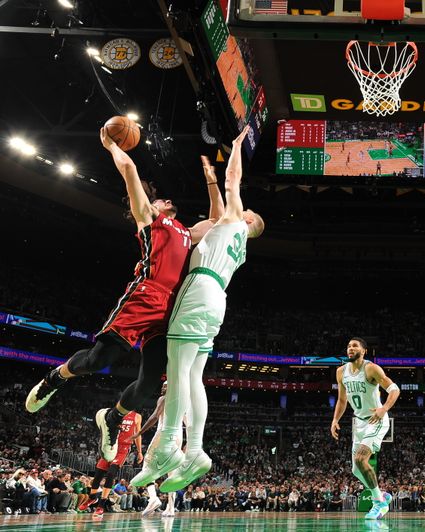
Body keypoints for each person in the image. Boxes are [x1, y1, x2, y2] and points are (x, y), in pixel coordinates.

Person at [26, 133, 221, 464]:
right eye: (160, 199)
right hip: (144, 297)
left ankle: (113, 418)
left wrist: (212, 181)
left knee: (148, 386)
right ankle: (54, 378)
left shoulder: (187, 233)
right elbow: (130, 170)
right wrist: (113, 145)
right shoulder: (151, 220)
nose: (166, 199)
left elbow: (216, 220)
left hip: (168, 313)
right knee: (98, 361)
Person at [132, 126, 265, 492]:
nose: (242, 207)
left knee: (177, 373)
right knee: (192, 377)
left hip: (199, 291)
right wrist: (209, 181)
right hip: (216, 299)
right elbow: (218, 207)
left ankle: (168, 449)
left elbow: (233, 179)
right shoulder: (236, 240)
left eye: (247, 210)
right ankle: (195, 450)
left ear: (250, 221)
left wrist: (237, 147)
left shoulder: (238, 220)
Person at [330, 337, 400, 520]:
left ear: (364, 351)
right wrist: (335, 420)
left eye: (354, 346)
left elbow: (394, 389)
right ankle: (382, 494)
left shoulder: (371, 368)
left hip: (376, 419)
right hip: (359, 422)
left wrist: (383, 408)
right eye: (348, 346)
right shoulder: (340, 372)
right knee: (355, 469)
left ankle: (380, 504)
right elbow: (342, 400)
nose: (350, 348)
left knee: (361, 459)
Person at [79, 410, 143, 517]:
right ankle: (92, 498)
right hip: (111, 445)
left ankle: (101, 505)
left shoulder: (136, 416)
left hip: (123, 447)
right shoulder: (115, 412)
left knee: (111, 474)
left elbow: (138, 434)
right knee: (98, 474)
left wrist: (140, 451)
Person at [129, 381, 178, 517]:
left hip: (163, 434)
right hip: (177, 437)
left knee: (146, 466)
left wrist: (140, 432)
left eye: (166, 386)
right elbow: (188, 423)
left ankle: (153, 498)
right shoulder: (183, 401)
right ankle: (171, 508)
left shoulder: (163, 398)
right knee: (171, 473)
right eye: (162, 385)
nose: (162, 388)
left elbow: (155, 416)